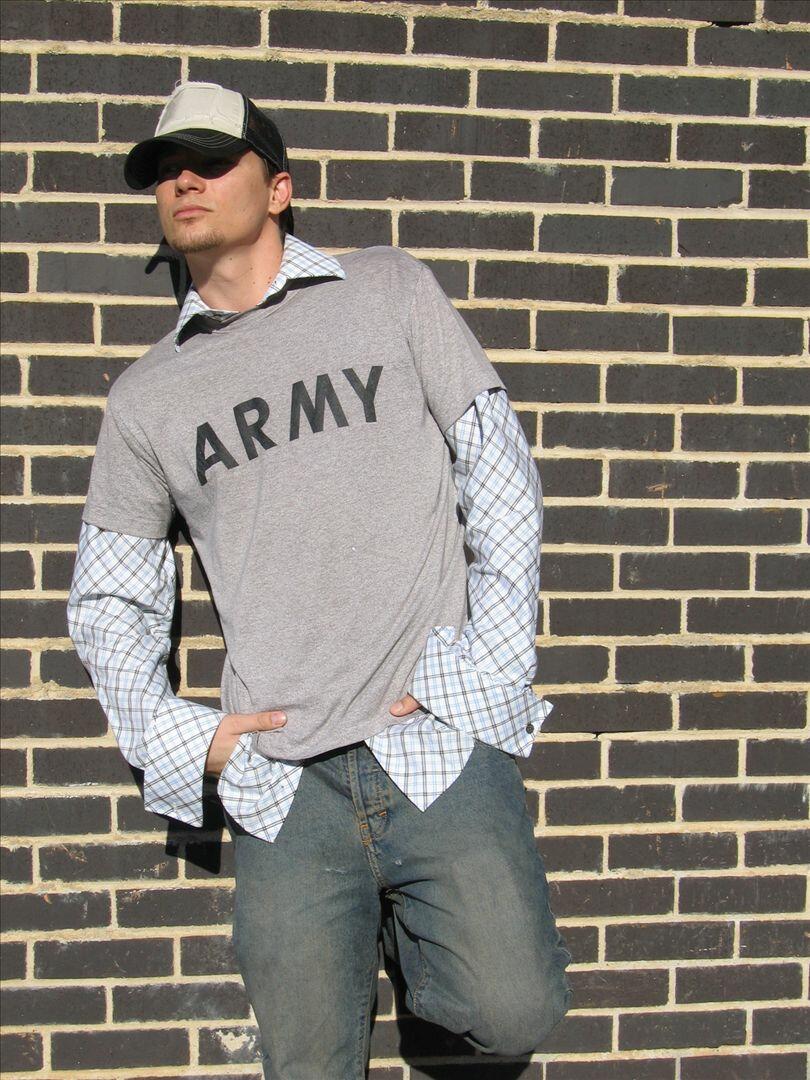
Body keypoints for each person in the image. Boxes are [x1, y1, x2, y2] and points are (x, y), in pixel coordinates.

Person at [67, 80, 572, 1080]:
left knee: (514, 1008)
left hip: (431, 741)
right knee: (307, 1067)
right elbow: (110, 598)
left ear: (279, 187)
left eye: (212, 161)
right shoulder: (147, 398)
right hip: (283, 782)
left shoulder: (387, 290)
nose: (184, 181)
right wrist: (184, 740)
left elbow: (499, 468)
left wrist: (484, 666)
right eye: (167, 170)